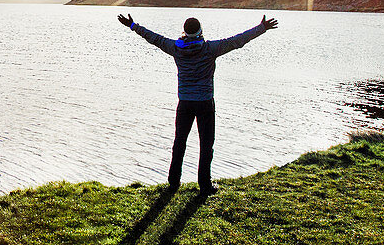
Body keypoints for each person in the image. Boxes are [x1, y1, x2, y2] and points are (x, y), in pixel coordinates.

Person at [116, 13, 278, 195]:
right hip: (205, 103)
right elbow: (237, 41)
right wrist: (261, 28)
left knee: (180, 142)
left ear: (184, 32)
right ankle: (205, 184)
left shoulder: (175, 48)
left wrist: (132, 25)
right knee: (206, 144)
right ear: (200, 31)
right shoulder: (210, 49)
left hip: (184, 103)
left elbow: (154, 38)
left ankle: (173, 181)